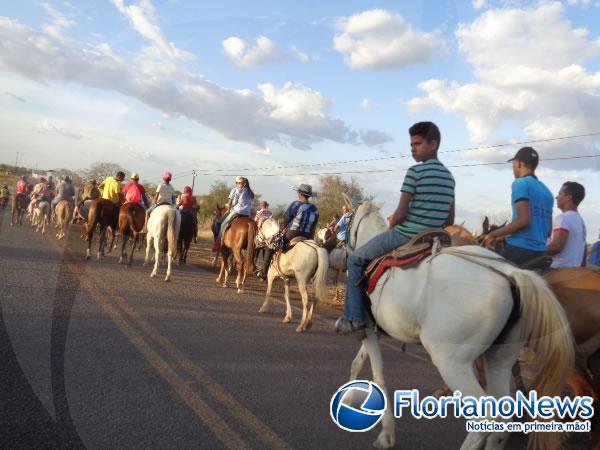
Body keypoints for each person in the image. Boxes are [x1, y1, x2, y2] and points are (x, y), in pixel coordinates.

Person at [334, 121, 455, 336]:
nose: (413, 149)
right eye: (411, 144)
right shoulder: (449, 177)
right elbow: (450, 218)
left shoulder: (415, 172)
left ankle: (353, 318)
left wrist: (393, 224)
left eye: (417, 144)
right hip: (435, 238)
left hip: (406, 235)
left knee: (355, 259)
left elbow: (399, 214)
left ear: (434, 144)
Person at [483, 147, 554, 265]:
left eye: (513, 163)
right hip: (541, 253)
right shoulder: (547, 192)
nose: (513, 167)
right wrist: (502, 237)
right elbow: (548, 231)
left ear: (519, 164)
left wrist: (491, 235)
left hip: (519, 251)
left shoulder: (520, 183)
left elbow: (524, 221)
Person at [256, 184, 320, 281]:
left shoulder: (295, 204)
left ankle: (264, 272)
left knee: (271, 244)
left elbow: (286, 219)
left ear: (300, 194)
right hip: (308, 235)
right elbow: (314, 227)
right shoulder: (315, 209)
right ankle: (314, 274)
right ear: (309, 196)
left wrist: (282, 229)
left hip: (293, 232)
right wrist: (311, 238)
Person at [546, 182, 587, 268]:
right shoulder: (580, 221)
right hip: (575, 270)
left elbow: (556, 247)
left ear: (569, 197)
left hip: (559, 268)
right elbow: (584, 250)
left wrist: (534, 250)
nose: (556, 197)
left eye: (560, 193)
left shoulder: (563, 218)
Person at [215, 176, 254, 247]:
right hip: (247, 213)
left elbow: (234, 203)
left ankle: (218, 241)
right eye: (237, 183)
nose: (237, 184)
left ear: (244, 184)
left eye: (239, 183)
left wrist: (228, 208)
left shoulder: (237, 190)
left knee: (223, 223)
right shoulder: (250, 192)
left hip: (238, 211)